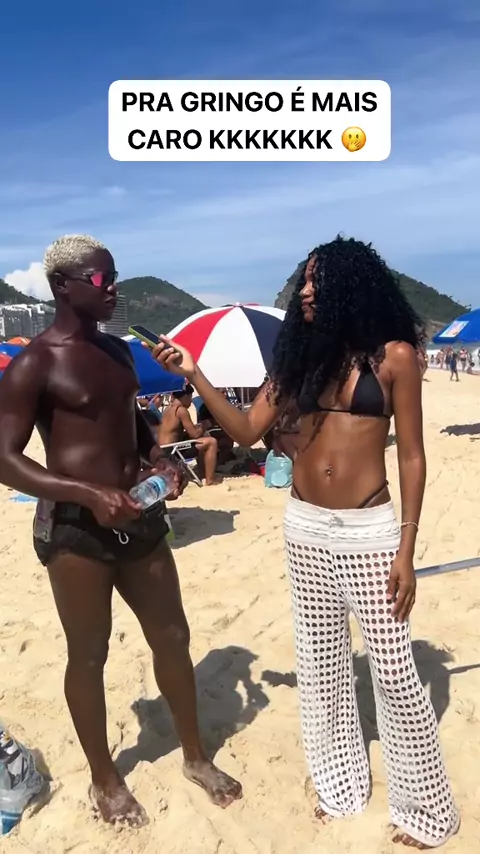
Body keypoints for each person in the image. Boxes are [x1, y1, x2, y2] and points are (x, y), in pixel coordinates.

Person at [151, 236, 460, 849]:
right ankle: (340, 786)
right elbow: (245, 431)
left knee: (394, 671)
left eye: (320, 280)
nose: (308, 291)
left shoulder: (396, 358)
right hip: (305, 528)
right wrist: (195, 375)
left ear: (353, 284)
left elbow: (413, 457)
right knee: (321, 665)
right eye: (305, 281)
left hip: (370, 530)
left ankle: (425, 807)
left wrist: (406, 548)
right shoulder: (297, 361)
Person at [0, 235, 241, 828]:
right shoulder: (36, 363)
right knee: (89, 654)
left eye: (114, 277)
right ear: (63, 286)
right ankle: (104, 777)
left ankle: (194, 755)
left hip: (139, 516)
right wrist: (87, 494)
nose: (113, 289)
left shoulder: (115, 352)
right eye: (101, 280)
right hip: (75, 531)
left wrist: (161, 463)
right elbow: (5, 457)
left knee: (173, 636)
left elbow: (129, 425)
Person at [157, 384, 219, 484]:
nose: (191, 401)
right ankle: (210, 480)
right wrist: (204, 426)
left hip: (163, 449)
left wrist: (197, 428)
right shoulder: (181, 410)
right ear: (186, 396)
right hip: (173, 451)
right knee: (211, 442)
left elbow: (174, 431)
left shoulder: (168, 409)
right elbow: (195, 435)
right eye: (190, 397)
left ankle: (203, 473)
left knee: (202, 440)